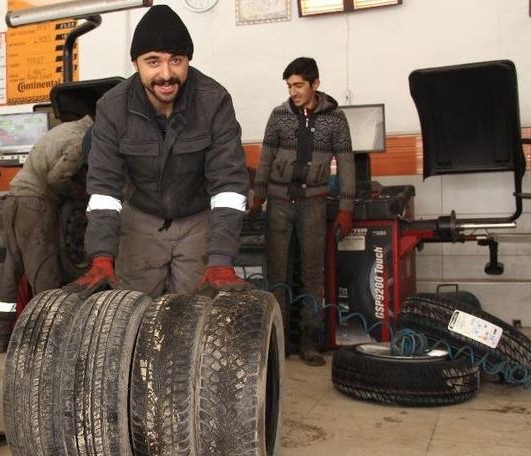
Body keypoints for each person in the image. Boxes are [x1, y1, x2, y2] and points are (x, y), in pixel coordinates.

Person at [66, 4, 249, 299]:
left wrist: (220, 258)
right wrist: (101, 256)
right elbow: (104, 190)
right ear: (136, 63)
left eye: (176, 60)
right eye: (153, 62)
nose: (166, 74)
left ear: (188, 60)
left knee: (194, 313)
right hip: (140, 222)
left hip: (197, 221)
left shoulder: (214, 102)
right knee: (130, 314)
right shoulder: (112, 108)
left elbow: (229, 185)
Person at [252, 57, 354, 366]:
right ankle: (278, 340)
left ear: (315, 84)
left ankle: (310, 341)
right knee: (276, 271)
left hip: (314, 203)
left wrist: (346, 208)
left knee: (313, 272)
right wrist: (258, 195)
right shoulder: (279, 116)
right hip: (279, 202)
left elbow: (346, 163)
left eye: (298, 85)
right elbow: (265, 158)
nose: (293, 92)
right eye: (289, 86)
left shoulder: (335, 119)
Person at [0, 114, 93, 352]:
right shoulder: (80, 140)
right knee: (44, 275)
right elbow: (56, 178)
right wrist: (83, 194)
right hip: (35, 205)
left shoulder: (62, 130)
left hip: (13, 200)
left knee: (11, 271)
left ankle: (0, 336)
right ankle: (50, 341)